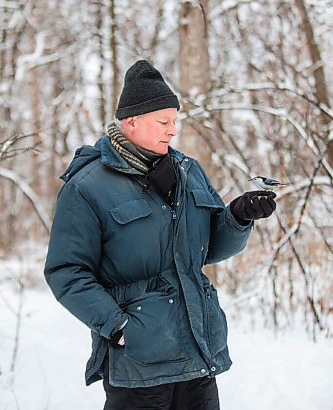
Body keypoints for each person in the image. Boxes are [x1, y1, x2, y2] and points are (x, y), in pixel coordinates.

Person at [44, 60, 276, 410]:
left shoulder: (187, 171)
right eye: (163, 122)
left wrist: (238, 217)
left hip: (197, 355)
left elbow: (206, 249)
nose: (172, 131)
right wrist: (118, 326)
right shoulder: (88, 187)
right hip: (139, 363)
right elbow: (66, 272)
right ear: (131, 122)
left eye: (175, 121)